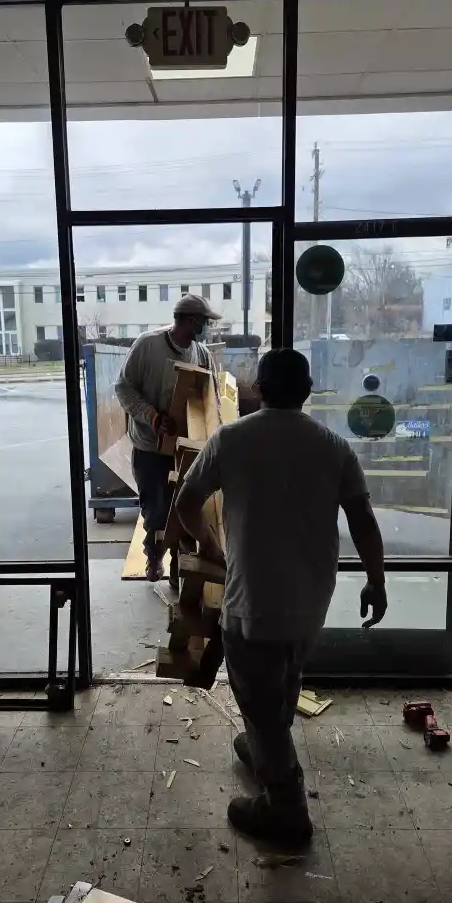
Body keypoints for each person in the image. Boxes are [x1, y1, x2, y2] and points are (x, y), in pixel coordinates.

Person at [175, 347, 387, 849]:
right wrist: (376, 580)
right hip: (310, 601)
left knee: (256, 692)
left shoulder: (231, 440)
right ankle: (266, 743)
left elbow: (186, 503)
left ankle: (285, 808)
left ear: (259, 389)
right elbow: (362, 520)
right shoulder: (334, 446)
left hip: (252, 603)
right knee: (284, 677)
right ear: (307, 392)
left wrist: (209, 545)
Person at [115, 294, 221, 582]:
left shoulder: (201, 354)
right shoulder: (147, 345)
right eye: (204, 321)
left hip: (186, 449)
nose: (207, 326)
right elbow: (123, 388)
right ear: (190, 320)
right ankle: (154, 557)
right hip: (150, 448)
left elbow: (213, 399)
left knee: (185, 511)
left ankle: (178, 567)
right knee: (156, 511)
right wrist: (152, 417)